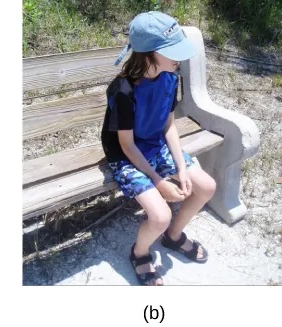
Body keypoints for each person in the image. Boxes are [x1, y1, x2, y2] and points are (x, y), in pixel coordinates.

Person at [103, 11, 217, 286]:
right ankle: (139, 253)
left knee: (207, 186)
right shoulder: (123, 90)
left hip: (155, 145)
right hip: (127, 156)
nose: (179, 58)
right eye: (172, 51)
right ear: (148, 53)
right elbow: (127, 145)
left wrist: (181, 167)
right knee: (160, 215)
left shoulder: (170, 77)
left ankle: (174, 236)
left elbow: (169, 126)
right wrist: (160, 182)